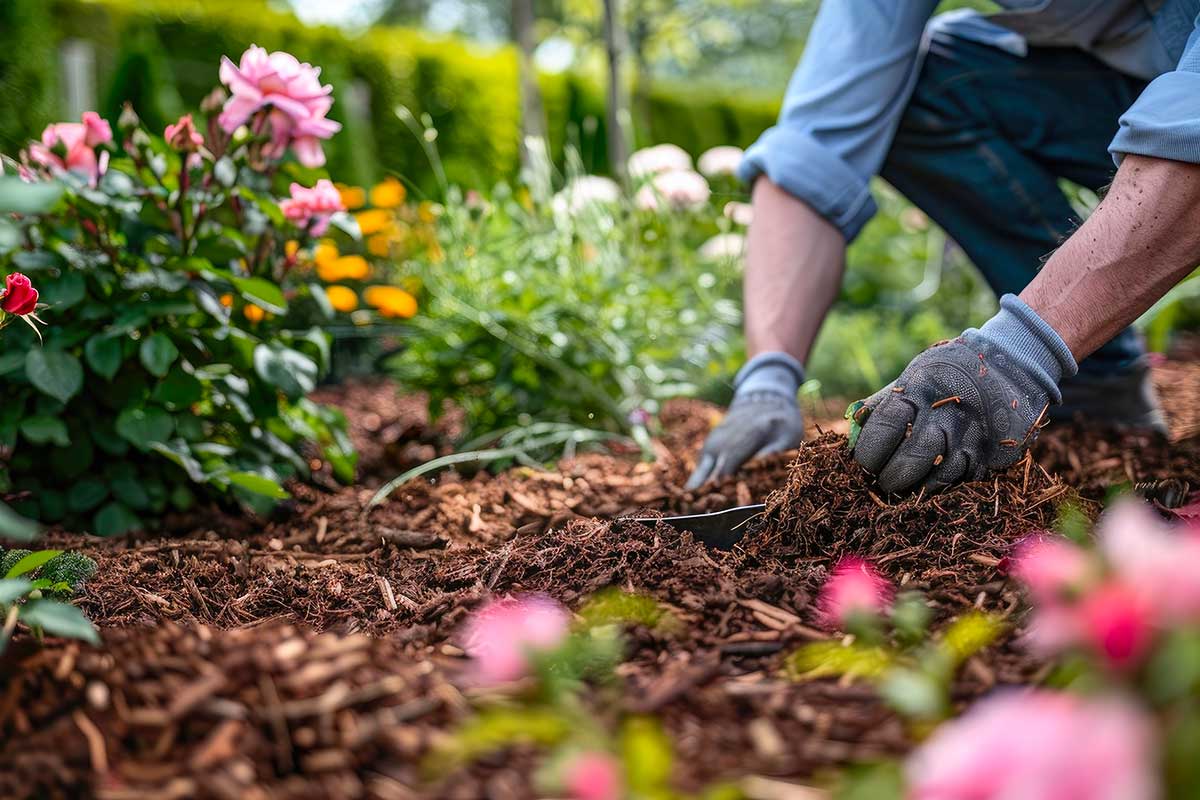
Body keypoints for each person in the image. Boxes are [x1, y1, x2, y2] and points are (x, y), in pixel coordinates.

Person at [687, 0, 1200, 494]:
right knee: (920, 84)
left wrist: (1019, 353)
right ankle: (1095, 379)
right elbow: (815, 146)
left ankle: (1047, 353)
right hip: (1129, 92)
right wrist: (767, 378)